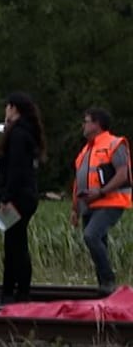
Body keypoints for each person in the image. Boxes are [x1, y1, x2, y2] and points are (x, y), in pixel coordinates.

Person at [71, 108, 130, 295]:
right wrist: (75, 209)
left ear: (96, 124)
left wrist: (101, 192)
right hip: (89, 205)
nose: (83, 124)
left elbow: (123, 174)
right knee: (97, 242)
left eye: (86, 121)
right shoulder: (86, 150)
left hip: (111, 201)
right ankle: (105, 291)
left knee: (91, 236)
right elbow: (78, 180)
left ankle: (108, 280)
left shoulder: (114, 144)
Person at [0, 93, 45, 303]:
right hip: (25, 197)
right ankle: (19, 291)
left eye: (7, 107)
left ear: (13, 109)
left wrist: (5, 196)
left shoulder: (17, 135)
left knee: (14, 245)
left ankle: (12, 293)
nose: (5, 111)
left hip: (17, 198)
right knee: (17, 243)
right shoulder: (28, 133)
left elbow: (16, 169)